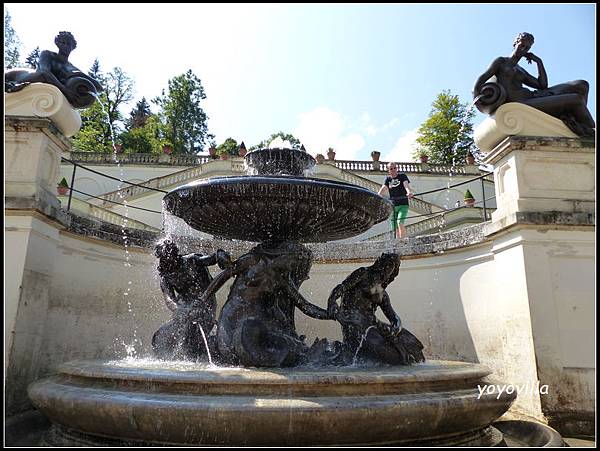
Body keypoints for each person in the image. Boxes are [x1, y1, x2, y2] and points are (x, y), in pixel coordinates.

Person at [473, 32, 595, 137]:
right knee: (576, 99)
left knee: (581, 85)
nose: (523, 50)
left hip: (534, 96)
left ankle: (577, 123)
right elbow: (483, 77)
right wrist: (476, 94)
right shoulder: (501, 61)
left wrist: (539, 62)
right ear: (515, 43)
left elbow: (542, 85)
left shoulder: (521, 70)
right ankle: (590, 131)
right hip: (524, 103)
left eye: (527, 48)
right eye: (521, 45)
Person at [326, 253, 425, 365]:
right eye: (385, 268)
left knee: (408, 339)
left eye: (389, 271)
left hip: (373, 325)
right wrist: (332, 301)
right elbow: (342, 287)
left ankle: (414, 362)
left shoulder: (382, 294)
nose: (385, 273)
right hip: (354, 325)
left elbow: (394, 317)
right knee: (386, 350)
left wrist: (395, 329)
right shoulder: (362, 273)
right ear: (379, 265)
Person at [152, 239, 232, 361]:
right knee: (159, 337)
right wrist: (180, 310)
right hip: (184, 309)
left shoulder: (192, 260)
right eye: (164, 258)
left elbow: (211, 259)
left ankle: (200, 359)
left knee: (190, 337)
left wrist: (219, 255)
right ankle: (168, 362)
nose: (167, 260)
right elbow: (169, 299)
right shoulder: (166, 276)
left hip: (205, 305)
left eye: (169, 256)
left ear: (175, 254)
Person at [4, 31, 103, 108]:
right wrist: (65, 90)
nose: (65, 46)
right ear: (57, 43)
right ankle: (10, 85)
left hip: (43, 86)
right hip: (21, 77)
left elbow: (99, 87)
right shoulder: (47, 54)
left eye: (68, 44)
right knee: (42, 76)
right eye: (62, 42)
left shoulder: (71, 67)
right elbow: (44, 72)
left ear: (73, 47)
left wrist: (80, 75)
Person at [378, 162, 414, 239]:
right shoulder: (388, 179)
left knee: (400, 222)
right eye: (391, 169)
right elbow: (383, 188)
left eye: (395, 168)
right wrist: (377, 196)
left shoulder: (402, 176)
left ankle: (403, 240)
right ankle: (398, 241)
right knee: (394, 226)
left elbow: (406, 185)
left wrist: (409, 192)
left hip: (403, 204)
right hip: (393, 206)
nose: (393, 170)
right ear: (388, 170)